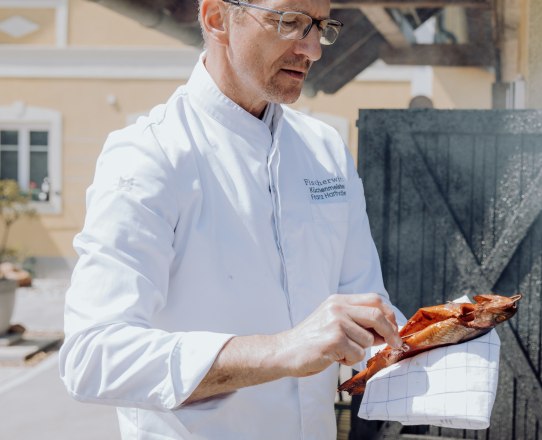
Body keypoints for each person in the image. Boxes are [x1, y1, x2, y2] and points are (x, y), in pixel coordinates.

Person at [58, 0, 404, 438]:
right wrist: (281, 350)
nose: (314, 49)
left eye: (320, 26)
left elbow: (367, 311)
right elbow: (92, 358)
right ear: (217, 19)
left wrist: (430, 342)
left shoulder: (325, 149)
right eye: (290, 22)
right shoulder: (150, 155)